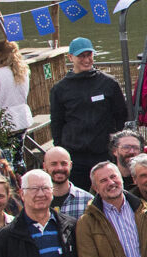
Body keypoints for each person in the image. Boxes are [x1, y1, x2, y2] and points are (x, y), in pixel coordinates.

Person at [49, 39, 129, 191]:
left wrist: (113, 143)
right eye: (81, 56)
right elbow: (57, 123)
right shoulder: (60, 89)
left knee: (107, 191)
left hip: (102, 152)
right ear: (70, 57)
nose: (86, 60)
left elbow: (121, 115)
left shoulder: (109, 83)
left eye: (89, 55)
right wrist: (61, 149)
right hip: (75, 154)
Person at [41, 147, 94, 219]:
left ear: (70, 165)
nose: (59, 168)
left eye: (64, 163)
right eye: (54, 164)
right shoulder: (37, 200)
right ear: (44, 166)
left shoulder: (87, 201)